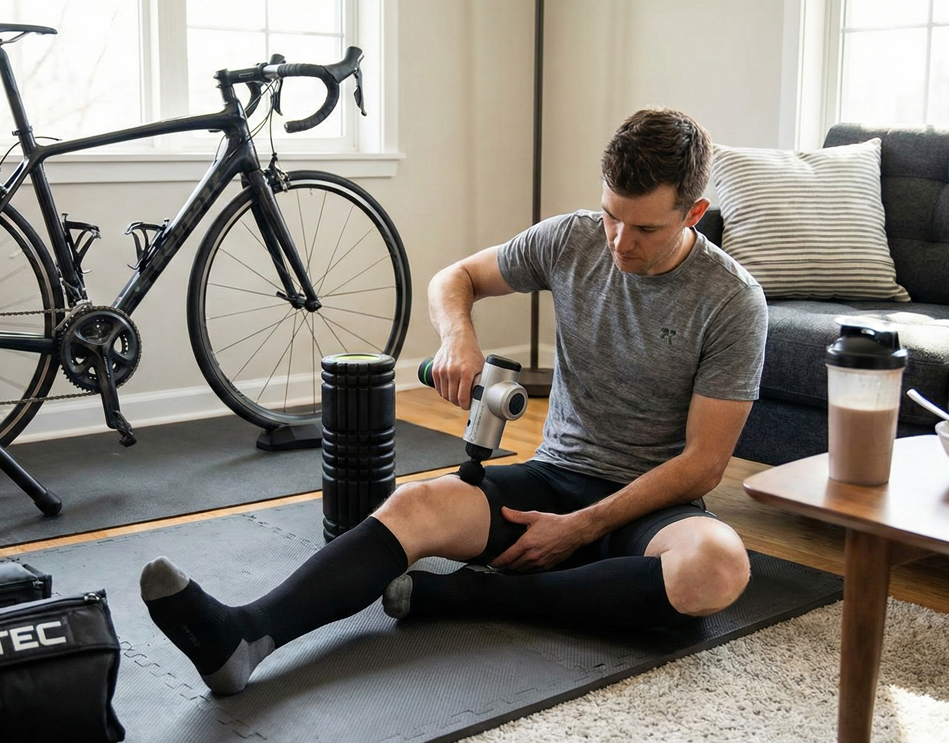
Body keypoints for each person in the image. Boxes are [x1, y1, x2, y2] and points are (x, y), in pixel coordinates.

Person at [140, 107, 768, 695]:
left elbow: (702, 465)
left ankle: (476, 596)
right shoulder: (572, 240)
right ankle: (245, 634)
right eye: (611, 216)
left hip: (650, 508)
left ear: (694, 213)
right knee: (416, 503)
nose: (620, 242)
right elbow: (455, 278)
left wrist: (581, 527)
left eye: (645, 228)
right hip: (553, 479)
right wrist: (458, 336)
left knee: (716, 566)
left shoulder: (731, 301)